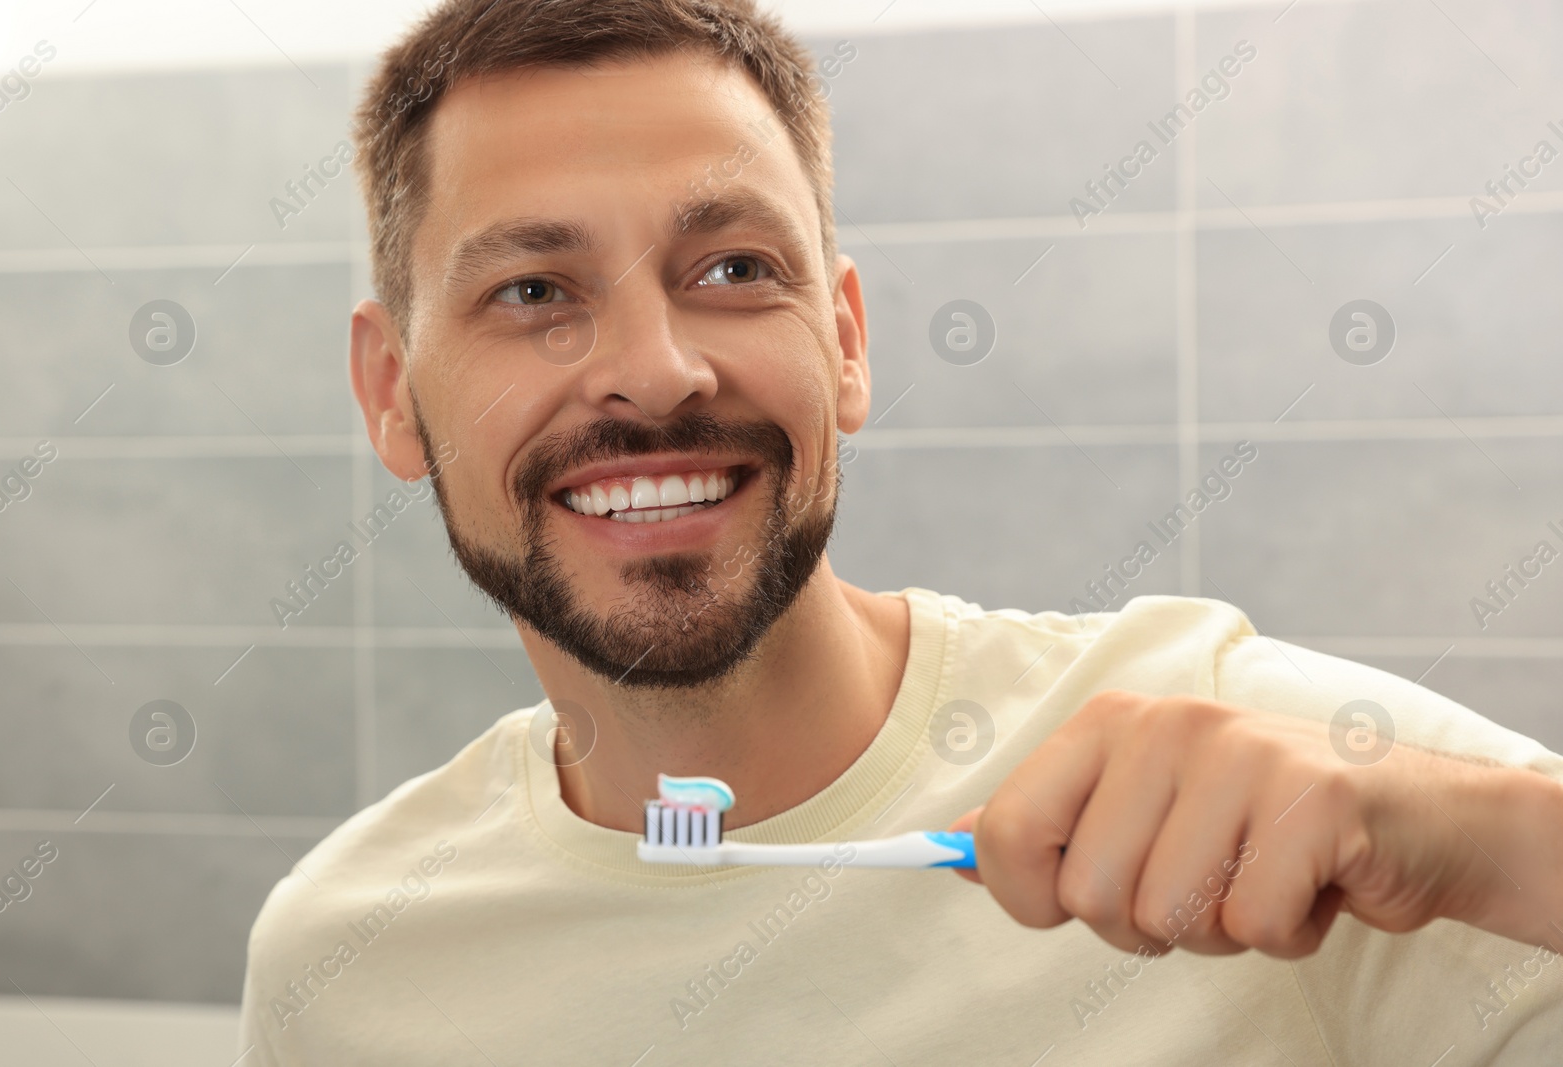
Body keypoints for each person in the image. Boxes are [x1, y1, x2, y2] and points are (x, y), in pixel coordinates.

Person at [237, 0, 1563, 1062]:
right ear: (390, 396)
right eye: (533, 289)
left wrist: (1477, 842)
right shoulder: (347, 965)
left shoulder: (1255, 777)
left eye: (733, 270)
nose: (655, 369)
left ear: (848, 340)